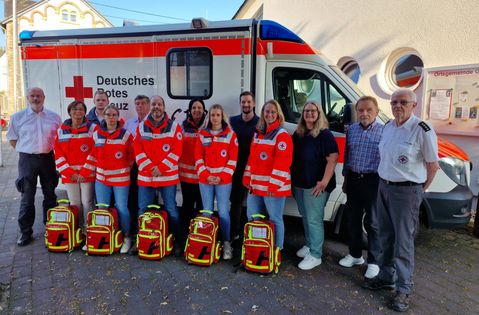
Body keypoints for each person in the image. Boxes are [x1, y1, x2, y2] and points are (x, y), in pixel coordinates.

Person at [363, 88, 440, 312]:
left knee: (403, 242)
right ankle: (386, 277)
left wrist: (418, 191)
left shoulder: (422, 130)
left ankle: (404, 288)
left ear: (413, 105)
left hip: (406, 192)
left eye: (403, 102)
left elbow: (433, 166)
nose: (398, 105)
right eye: (394, 101)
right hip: (384, 187)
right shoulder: (388, 127)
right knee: (384, 235)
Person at [7, 87, 61, 246]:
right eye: (33, 96)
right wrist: (27, 150)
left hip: (48, 159)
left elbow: (60, 139)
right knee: (27, 197)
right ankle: (25, 233)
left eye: (38, 96)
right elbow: (12, 139)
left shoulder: (54, 117)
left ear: (44, 97)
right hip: (27, 160)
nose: (36, 98)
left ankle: (51, 228)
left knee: (50, 195)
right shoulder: (17, 117)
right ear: (28, 98)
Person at [133, 95, 184, 256]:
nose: (156, 107)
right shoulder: (141, 127)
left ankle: (178, 241)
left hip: (167, 177)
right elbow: (138, 150)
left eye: (159, 104)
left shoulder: (174, 127)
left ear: (164, 107)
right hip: (146, 177)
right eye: (154, 104)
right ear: (151, 107)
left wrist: (161, 168)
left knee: (171, 209)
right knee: (142, 209)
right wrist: (150, 168)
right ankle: (140, 240)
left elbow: (177, 151)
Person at [339, 96, 383, 279]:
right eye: (361, 110)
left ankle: (373, 262)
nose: (364, 113)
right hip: (354, 180)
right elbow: (348, 156)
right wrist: (346, 178)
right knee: (353, 220)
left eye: (368, 110)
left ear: (376, 112)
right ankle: (355, 255)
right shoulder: (351, 130)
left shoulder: (384, 131)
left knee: (373, 223)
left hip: (373, 181)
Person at [291, 101, 338, 270]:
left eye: (313, 110)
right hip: (299, 184)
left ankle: (316, 254)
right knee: (305, 215)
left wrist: (324, 182)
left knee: (314, 219)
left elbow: (332, 159)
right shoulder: (299, 134)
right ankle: (310, 244)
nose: (309, 113)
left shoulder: (325, 135)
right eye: (306, 111)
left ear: (319, 114)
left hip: (316, 185)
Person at [81, 104, 134, 254]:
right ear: (103, 116)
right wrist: (85, 172)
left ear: (118, 117)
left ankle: (127, 237)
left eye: (114, 115)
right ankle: (102, 236)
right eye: (108, 115)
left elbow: (132, 157)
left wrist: (122, 170)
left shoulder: (126, 135)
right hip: (102, 179)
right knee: (102, 208)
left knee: (121, 207)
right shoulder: (97, 134)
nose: (111, 118)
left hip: (120, 180)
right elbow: (92, 155)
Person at [243, 100, 293, 251]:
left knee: (275, 219)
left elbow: (283, 163)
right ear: (263, 114)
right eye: (267, 111)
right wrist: (247, 177)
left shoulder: (281, 135)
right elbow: (252, 158)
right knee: (253, 216)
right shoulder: (258, 133)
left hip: (273, 187)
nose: (269, 114)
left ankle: (277, 250)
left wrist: (274, 185)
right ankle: (258, 246)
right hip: (256, 185)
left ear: (278, 114)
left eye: (273, 112)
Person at [195, 104, 238, 260]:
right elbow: (198, 157)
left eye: (218, 115)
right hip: (205, 180)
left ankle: (226, 243)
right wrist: (206, 175)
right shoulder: (202, 134)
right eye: (212, 115)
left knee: (223, 212)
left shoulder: (231, 135)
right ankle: (209, 242)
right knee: (207, 211)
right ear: (209, 117)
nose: (215, 118)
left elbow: (233, 160)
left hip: (223, 180)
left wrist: (221, 176)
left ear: (222, 116)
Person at [54, 100, 96, 235]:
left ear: (85, 112)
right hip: (70, 175)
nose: (78, 112)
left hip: (87, 174)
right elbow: (58, 152)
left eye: (81, 109)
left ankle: (88, 228)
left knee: (87, 202)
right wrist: (68, 172)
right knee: (75, 202)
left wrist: (85, 171)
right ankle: (76, 229)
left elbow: (96, 151)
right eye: (74, 109)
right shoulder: (61, 131)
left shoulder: (93, 129)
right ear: (69, 112)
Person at [229, 91, 259, 241]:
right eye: (243, 102)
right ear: (240, 104)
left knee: (256, 207)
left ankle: (252, 238)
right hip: (237, 170)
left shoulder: (261, 123)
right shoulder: (232, 121)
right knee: (236, 204)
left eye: (248, 102)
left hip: (255, 170)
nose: (246, 105)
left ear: (253, 103)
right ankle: (234, 234)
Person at [124, 95, 151, 254]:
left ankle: (147, 233)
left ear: (148, 105)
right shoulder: (129, 124)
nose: (140, 106)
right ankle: (135, 233)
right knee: (132, 200)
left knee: (146, 202)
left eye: (143, 103)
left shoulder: (151, 123)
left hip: (147, 166)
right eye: (137, 103)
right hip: (132, 166)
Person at [179, 99, 207, 237]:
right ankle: (184, 238)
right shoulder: (182, 127)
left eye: (199, 107)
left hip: (203, 177)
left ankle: (200, 237)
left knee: (202, 209)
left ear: (204, 110)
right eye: (194, 107)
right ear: (190, 110)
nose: (197, 110)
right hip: (187, 177)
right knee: (187, 208)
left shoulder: (209, 127)